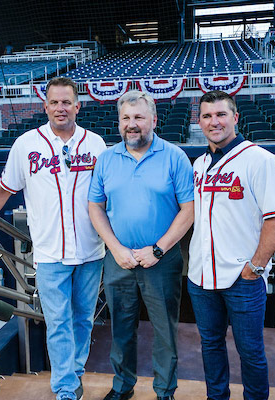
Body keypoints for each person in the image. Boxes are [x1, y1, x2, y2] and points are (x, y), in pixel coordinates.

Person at [0, 76, 106, 400]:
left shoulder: (95, 144)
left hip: (90, 250)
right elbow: (3, 189)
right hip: (49, 252)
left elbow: (108, 194)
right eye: (54, 102)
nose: (60, 108)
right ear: (45, 106)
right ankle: (66, 390)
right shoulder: (27, 144)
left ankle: (75, 373)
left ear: (77, 106)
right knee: (57, 323)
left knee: (83, 319)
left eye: (66, 101)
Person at [88, 90, 194, 400]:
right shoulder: (107, 159)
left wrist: (158, 249)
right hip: (118, 260)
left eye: (138, 117)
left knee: (164, 331)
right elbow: (95, 207)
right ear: (119, 122)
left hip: (161, 260)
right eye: (126, 118)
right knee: (121, 329)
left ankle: (164, 390)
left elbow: (189, 210)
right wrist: (115, 249)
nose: (132, 124)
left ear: (154, 120)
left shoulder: (174, 156)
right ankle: (122, 387)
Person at [188, 90, 275, 400]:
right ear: (199, 122)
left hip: (242, 278)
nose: (213, 121)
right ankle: (216, 397)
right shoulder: (199, 164)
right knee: (211, 345)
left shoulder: (261, 160)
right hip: (201, 276)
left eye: (220, 114)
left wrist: (255, 267)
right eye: (207, 116)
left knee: (250, 351)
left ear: (235, 117)